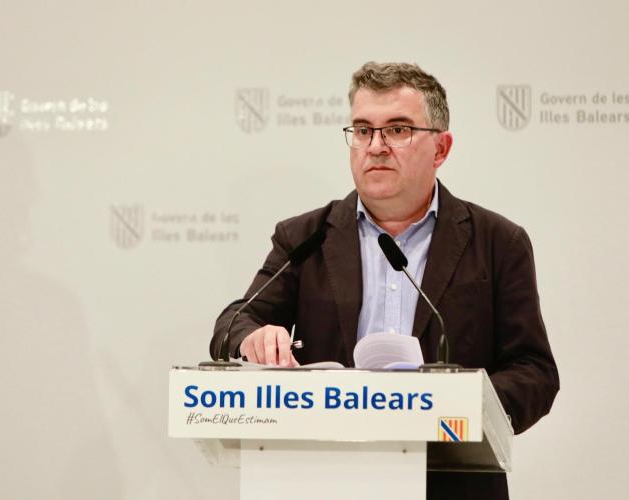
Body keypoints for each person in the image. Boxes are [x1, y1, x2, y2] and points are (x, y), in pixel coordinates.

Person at [211, 61, 559, 499]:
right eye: (363, 130)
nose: (376, 146)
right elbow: (232, 324)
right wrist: (253, 338)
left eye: (397, 130)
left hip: (450, 482)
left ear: (441, 148)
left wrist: (460, 405)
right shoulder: (304, 238)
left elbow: (534, 371)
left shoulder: (497, 242)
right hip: (322, 479)